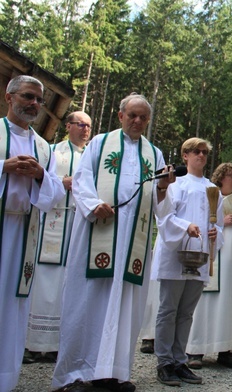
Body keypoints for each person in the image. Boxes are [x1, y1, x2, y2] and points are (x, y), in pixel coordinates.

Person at [52, 93, 174, 392]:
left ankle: (114, 373)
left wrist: (163, 186)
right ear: (120, 116)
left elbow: (161, 204)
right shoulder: (100, 143)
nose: (137, 121)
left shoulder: (153, 153)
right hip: (99, 233)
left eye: (143, 117)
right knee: (88, 302)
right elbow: (81, 180)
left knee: (125, 306)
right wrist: (94, 204)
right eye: (132, 115)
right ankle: (77, 373)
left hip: (134, 241)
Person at [0, 75, 66, 392]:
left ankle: (5, 379)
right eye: (28, 96)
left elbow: (54, 194)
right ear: (9, 97)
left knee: (13, 306)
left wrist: (40, 174)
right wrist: (4, 167)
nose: (35, 105)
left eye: (39, 100)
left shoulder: (43, 146)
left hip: (24, 231)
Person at [151, 137, 224, 386]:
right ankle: (164, 362)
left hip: (199, 256)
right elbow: (163, 217)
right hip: (175, 254)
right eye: (195, 151)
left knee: (186, 313)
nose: (201, 155)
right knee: (168, 310)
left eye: (204, 152)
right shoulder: (175, 184)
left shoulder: (212, 188)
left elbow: (219, 224)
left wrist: (216, 234)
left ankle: (180, 362)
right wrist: (186, 226)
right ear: (185, 155)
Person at [25, 111, 91, 364]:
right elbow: (41, 181)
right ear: (69, 126)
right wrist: (63, 182)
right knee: (43, 281)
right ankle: (31, 344)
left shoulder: (91, 156)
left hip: (77, 223)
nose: (84, 129)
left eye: (88, 126)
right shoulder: (53, 151)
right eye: (80, 124)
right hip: (53, 221)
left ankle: (55, 345)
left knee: (69, 283)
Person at [186, 162, 232, 369]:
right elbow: (196, 221)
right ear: (220, 177)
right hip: (214, 257)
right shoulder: (210, 195)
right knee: (205, 300)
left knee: (230, 301)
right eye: (230, 175)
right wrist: (220, 221)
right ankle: (196, 349)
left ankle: (226, 350)